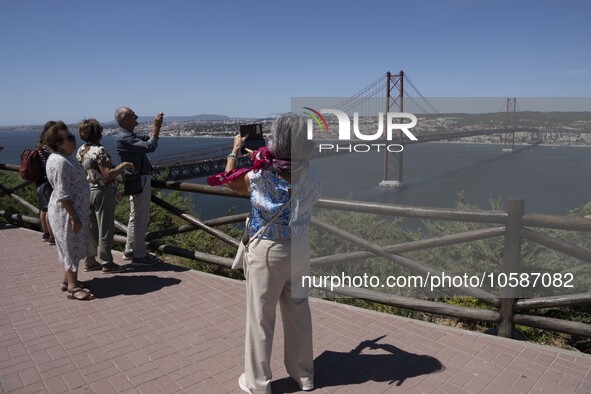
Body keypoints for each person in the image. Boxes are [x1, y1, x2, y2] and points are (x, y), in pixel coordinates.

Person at [209, 113, 321, 393]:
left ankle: (258, 383)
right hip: (300, 248)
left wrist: (235, 152)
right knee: (299, 313)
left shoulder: (260, 175)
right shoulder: (313, 174)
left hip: (268, 251)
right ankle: (304, 375)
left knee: (261, 317)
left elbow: (229, 181)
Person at [45, 121, 95, 300]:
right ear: (58, 144)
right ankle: (73, 288)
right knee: (70, 248)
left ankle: (66, 281)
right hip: (67, 213)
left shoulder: (67, 157)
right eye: (70, 138)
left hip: (72, 211)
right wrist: (74, 217)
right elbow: (62, 194)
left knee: (70, 247)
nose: (74, 140)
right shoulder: (59, 162)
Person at [77, 118, 134, 273]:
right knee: (105, 228)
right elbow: (107, 175)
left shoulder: (81, 150)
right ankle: (107, 263)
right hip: (103, 192)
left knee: (91, 229)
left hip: (88, 190)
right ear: (99, 133)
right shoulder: (100, 150)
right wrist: (123, 166)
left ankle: (89, 260)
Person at [115, 107, 164, 266]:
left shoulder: (129, 136)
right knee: (141, 218)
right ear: (124, 119)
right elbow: (150, 146)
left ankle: (130, 250)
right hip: (139, 179)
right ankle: (139, 256)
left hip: (136, 179)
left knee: (135, 217)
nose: (137, 118)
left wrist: (154, 130)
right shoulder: (124, 138)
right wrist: (156, 128)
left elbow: (147, 140)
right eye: (133, 116)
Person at [37, 121, 56, 245]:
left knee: (43, 208)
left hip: (39, 179)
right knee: (50, 208)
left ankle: (45, 233)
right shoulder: (49, 146)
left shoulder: (40, 145)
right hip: (48, 179)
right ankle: (52, 235)